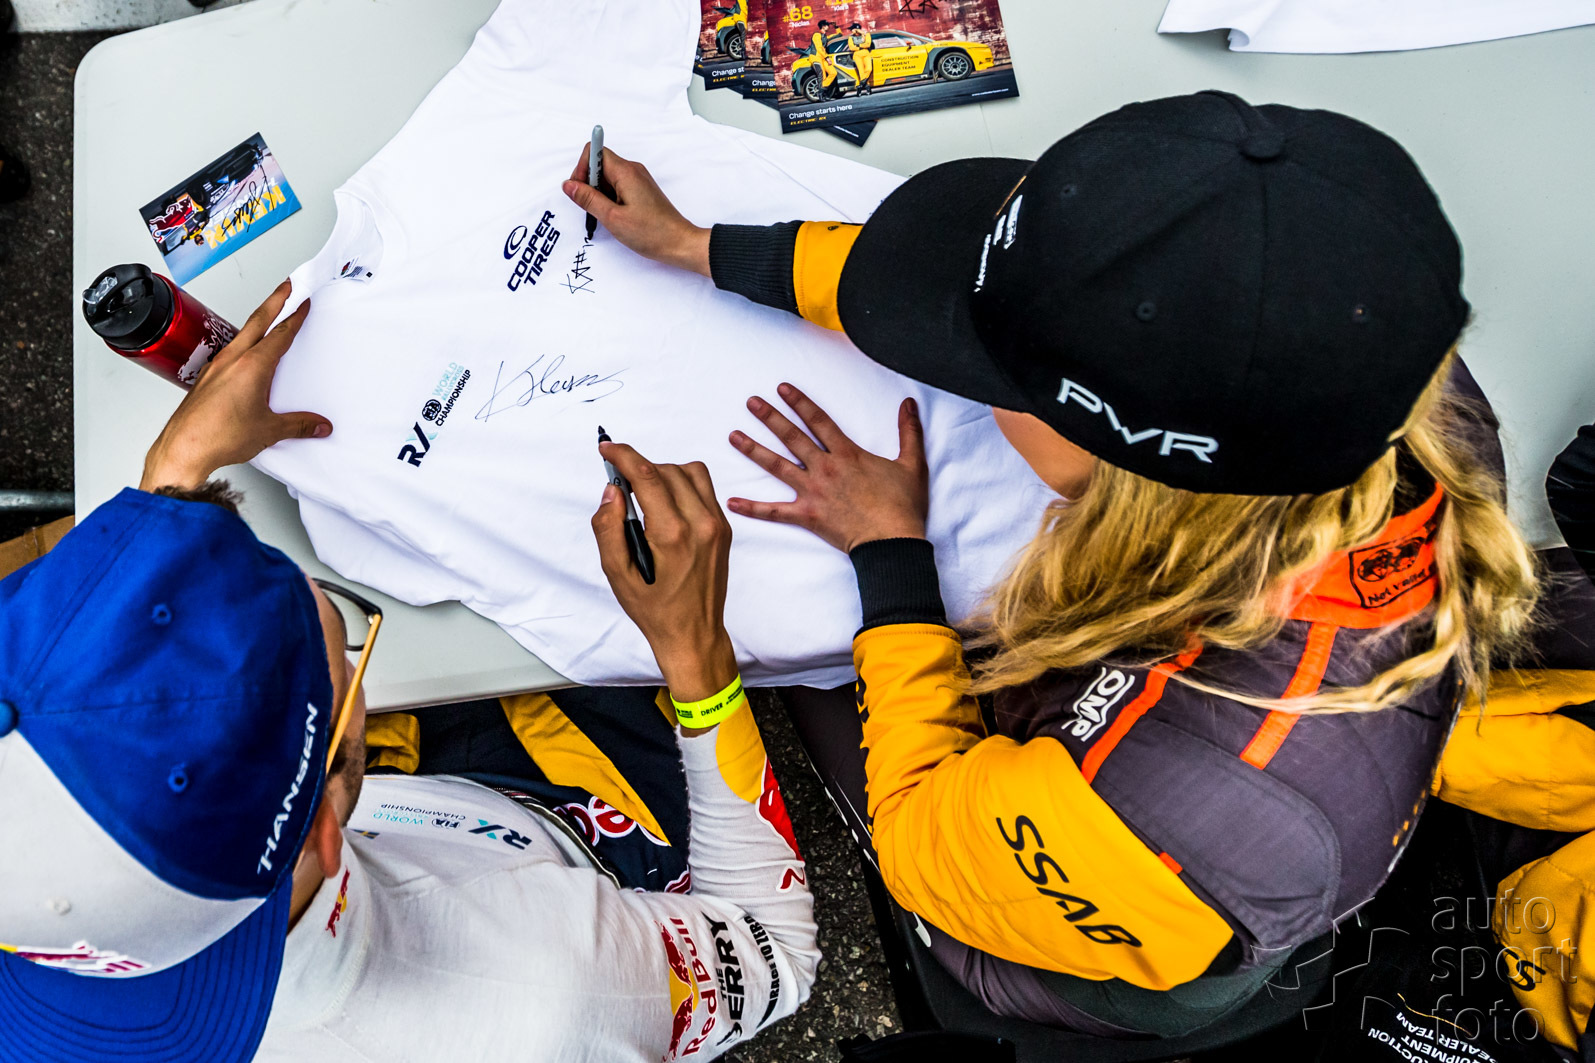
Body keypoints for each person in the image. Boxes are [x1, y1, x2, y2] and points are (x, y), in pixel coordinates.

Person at [564, 90, 1595, 1047]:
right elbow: (1000, 286)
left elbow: (919, 827)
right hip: (1209, 805)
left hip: (1099, 929)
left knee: (829, 688)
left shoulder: (1165, 805)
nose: (960, 376)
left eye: (988, 379)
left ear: (1128, 476)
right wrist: (707, 248)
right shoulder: (1365, 357)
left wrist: (889, 561)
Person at [0, 283, 817, 1061]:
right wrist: (696, 656)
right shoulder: (549, 998)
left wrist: (174, 490)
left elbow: (79, 714)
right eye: (345, 649)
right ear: (324, 823)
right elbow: (773, 949)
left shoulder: (68, 911)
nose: (354, 662)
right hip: (562, 855)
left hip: (411, 831)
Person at [808, 19, 841, 100]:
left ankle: (822, 89)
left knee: (833, 72)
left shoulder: (825, 37)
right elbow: (819, 48)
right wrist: (827, 58)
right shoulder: (817, 35)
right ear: (823, 26)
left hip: (823, 58)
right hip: (816, 57)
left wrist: (836, 26)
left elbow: (839, 35)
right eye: (827, 25)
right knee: (822, 75)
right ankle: (822, 95)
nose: (828, 27)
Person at [847, 23, 874, 95]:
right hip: (857, 55)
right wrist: (861, 47)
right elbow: (851, 47)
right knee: (861, 72)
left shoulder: (866, 35)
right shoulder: (851, 37)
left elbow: (868, 44)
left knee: (869, 69)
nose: (852, 31)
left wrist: (858, 45)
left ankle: (860, 85)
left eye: (853, 29)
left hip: (866, 53)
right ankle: (868, 88)